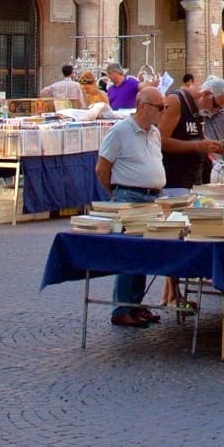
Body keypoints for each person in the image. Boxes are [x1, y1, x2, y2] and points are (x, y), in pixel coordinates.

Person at [95, 87, 167, 327]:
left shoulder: (154, 133)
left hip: (151, 199)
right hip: (130, 197)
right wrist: (118, 194)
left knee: (144, 253)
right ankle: (122, 308)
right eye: (160, 107)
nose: (164, 112)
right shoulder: (120, 131)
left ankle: (136, 304)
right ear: (143, 106)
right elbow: (102, 168)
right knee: (129, 252)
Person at [159, 79, 224, 191]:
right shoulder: (176, 101)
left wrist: (214, 146)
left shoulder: (199, 109)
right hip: (174, 181)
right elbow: (161, 141)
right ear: (207, 94)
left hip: (193, 180)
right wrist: (197, 146)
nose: (215, 111)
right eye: (216, 106)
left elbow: (194, 136)